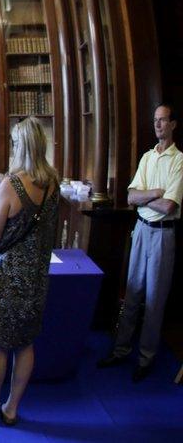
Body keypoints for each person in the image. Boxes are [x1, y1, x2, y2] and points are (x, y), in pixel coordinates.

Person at [0, 117, 59, 426]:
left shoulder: (12, 183)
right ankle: (11, 408)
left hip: (8, 275)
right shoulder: (53, 184)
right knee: (25, 344)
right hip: (36, 275)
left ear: (22, 145)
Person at [98, 104, 182, 382]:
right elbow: (131, 197)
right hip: (141, 229)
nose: (158, 124)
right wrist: (153, 193)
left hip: (162, 233)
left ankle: (146, 358)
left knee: (154, 299)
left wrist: (148, 196)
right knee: (132, 293)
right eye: (155, 120)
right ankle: (120, 350)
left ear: (173, 124)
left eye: (163, 120)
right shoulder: (148, 157)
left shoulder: (179, 160)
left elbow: (169, 206)